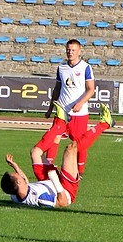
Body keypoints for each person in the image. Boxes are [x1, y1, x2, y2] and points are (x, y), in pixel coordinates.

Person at [34, 39, 101, 174]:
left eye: (73, 50)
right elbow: (57, 89)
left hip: (79, 114)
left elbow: (91, 89)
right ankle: (49, 168)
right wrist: (50, 108)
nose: (70, 52)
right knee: (54, 138)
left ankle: (79, 172)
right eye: (68, 50)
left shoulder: (86, 68)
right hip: (62, 111)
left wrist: (80, 103)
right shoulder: (62, 68)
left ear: (79, 51)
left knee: (78, 144)